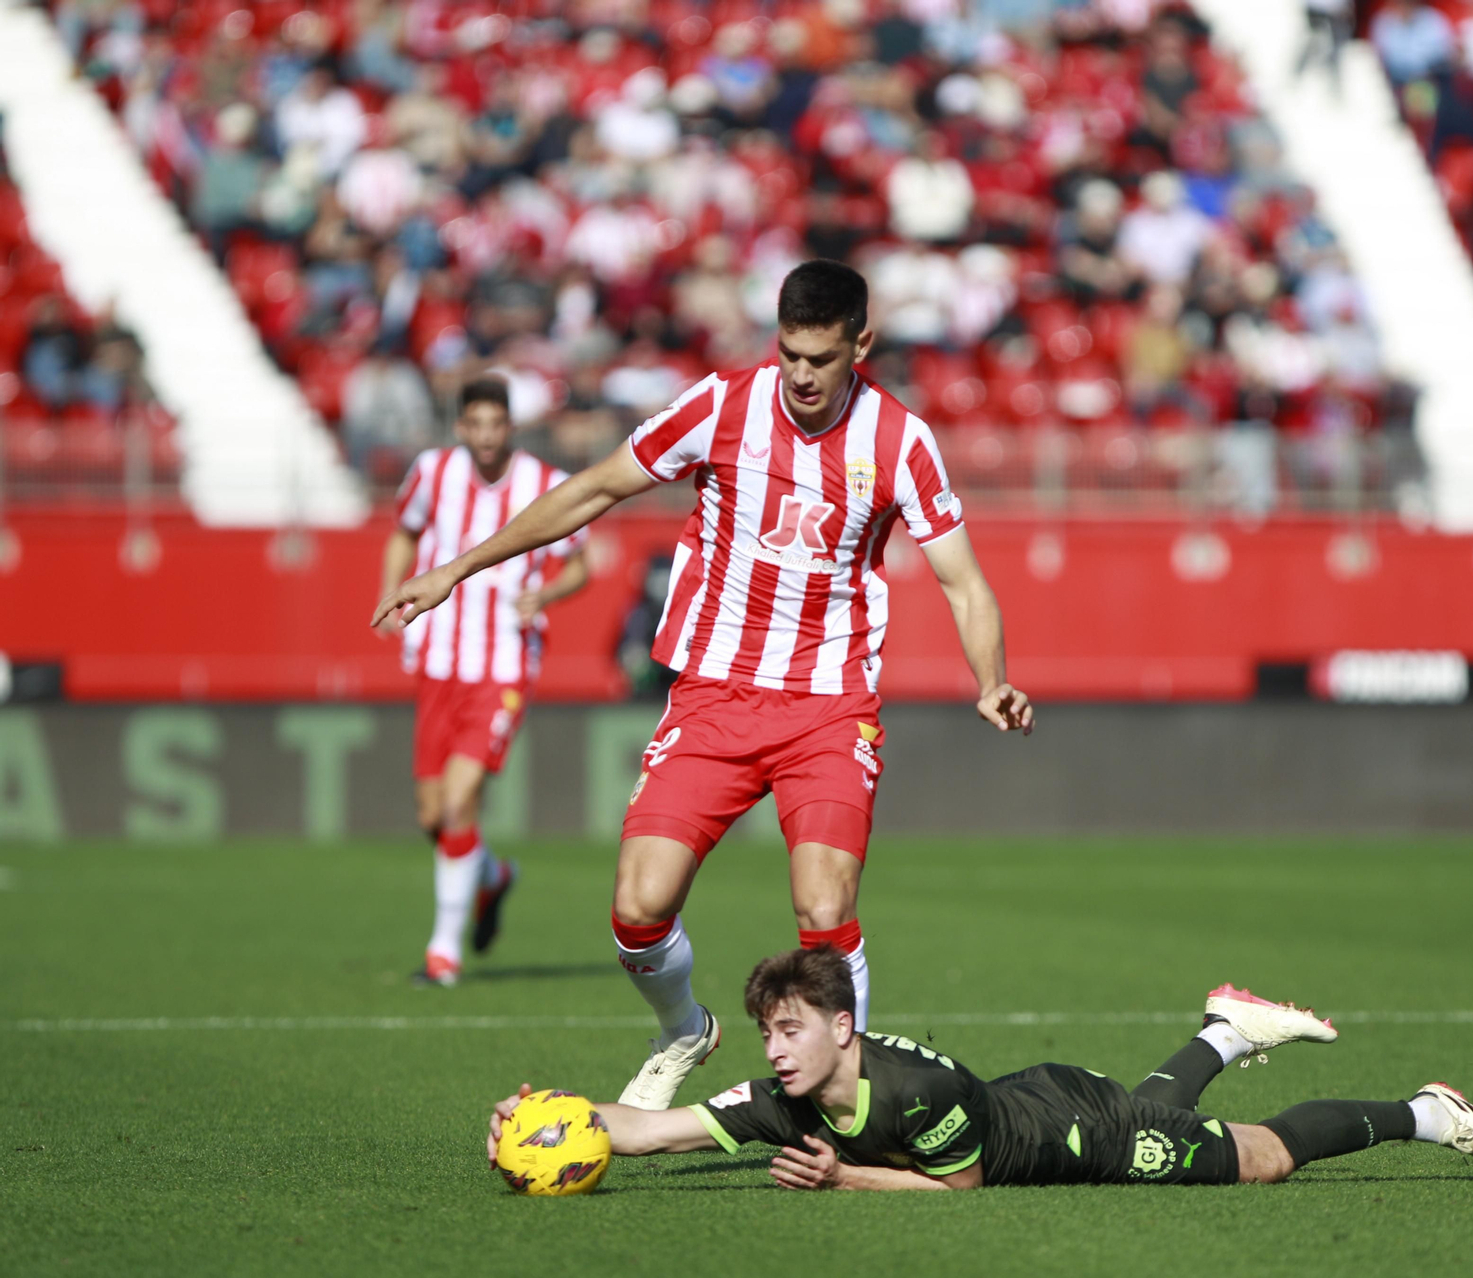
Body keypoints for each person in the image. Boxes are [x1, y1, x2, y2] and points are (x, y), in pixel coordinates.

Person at [374, 259, 1034, 1107]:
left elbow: (964, 581)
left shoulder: (900, 440)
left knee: (822, 902)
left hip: (828, 706)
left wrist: (992, 680)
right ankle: (685, 1027)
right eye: (790, 354)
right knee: (638, 908)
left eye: (821, 359)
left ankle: (846, 1105)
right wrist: (457, 570)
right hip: (713, 697)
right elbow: (595, 488)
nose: (801, 375)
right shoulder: (722, 405)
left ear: (860, 345)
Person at [487, 947, 1473, 1190]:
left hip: (1073, 1131)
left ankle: (1425, 1112)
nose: (772, 1047)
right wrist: (546, 1113)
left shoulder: (916, 1091)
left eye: (791, 1028)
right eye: (767, 1030)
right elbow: (650, 1128)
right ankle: (1223, 1030)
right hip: (1039, 1098)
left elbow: (962, 1188)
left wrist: (844, 1176)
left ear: (843, 1028)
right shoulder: (780, 1095)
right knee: (1164, 1104)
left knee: (1255, 1158)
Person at [377, 376, 590, 986]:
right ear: (462, 427)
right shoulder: (432, 473)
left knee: (460, 800)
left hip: (503, 664)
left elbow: (581, 562)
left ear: (510, 428)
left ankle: (443, 953)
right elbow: (405, 533)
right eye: (479, 424)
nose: (489, 436)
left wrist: (545, 593)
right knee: (431, 815)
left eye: (499, 425)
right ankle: (491, 876)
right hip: (439, 658)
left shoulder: (543, 485)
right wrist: (390, 596)